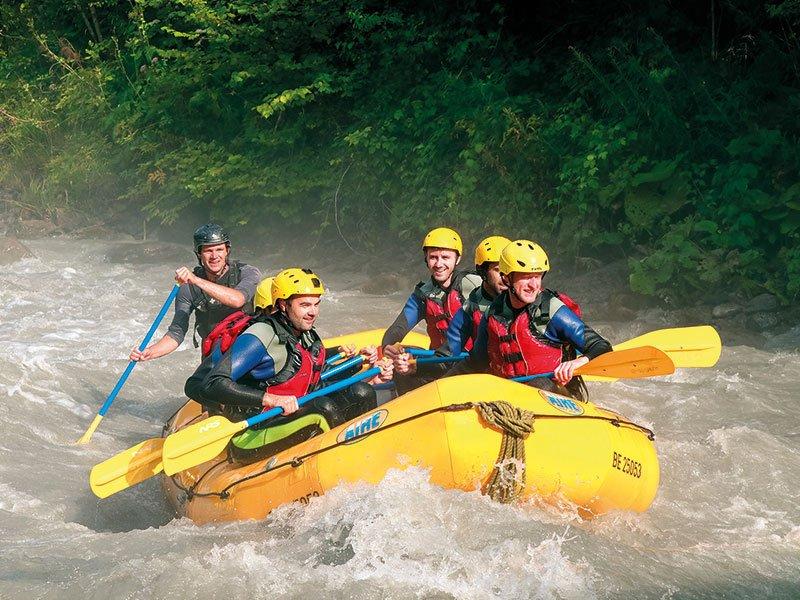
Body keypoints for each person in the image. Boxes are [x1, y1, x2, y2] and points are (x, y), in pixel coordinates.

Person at [185, 268, 392, 461]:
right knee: (322, 410)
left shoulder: (305, 334)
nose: (313, 312)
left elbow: (309, 381)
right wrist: (270, 399)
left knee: (361, 392)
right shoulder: (260, 336)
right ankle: (342, 463)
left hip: (287, 418)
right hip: (252, 431)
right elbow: (213, 384)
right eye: (304, 305)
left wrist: (363, 368)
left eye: (316, 304)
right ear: (283, 305)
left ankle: (367, 456)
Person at [447, 240, 611, 400]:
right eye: (526, 277)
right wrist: (441, 386)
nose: (534, 285)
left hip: (556, 396)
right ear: (506, 278)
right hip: (510, 397)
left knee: (539, 384)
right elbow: (476, 361)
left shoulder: (549, 311)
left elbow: (602, 346)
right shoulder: (493, 313)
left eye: (538, 276)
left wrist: (576, 363)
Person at [130, 223, 261, 362]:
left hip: (248, 352)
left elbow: (238, 300)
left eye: (219, 249)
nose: (214, 256)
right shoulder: (188, 288)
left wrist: (197, 281)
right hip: (214, 355)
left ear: (227, 251)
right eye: (208, 251)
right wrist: (150, 352)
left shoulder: (247, 273)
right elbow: (176, 333)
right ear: (199, 254)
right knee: (194, 384)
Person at [381, 227, 483, 393]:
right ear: (426, 259)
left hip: (469, 361)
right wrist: (387, 346)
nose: (438, 264)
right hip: (438, 361)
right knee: (402, 360)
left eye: (445, 257)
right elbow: (399, 327)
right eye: (433, 257)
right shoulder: (423, 294)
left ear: (457, 259)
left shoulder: (474, 285)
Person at [444, 235, 511, 355]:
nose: (505, 277)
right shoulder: (470, 307)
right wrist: (416, 366)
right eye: (498, 270)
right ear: (482, 271)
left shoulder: (534, 301)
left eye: (509, 270)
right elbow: (447, 352)